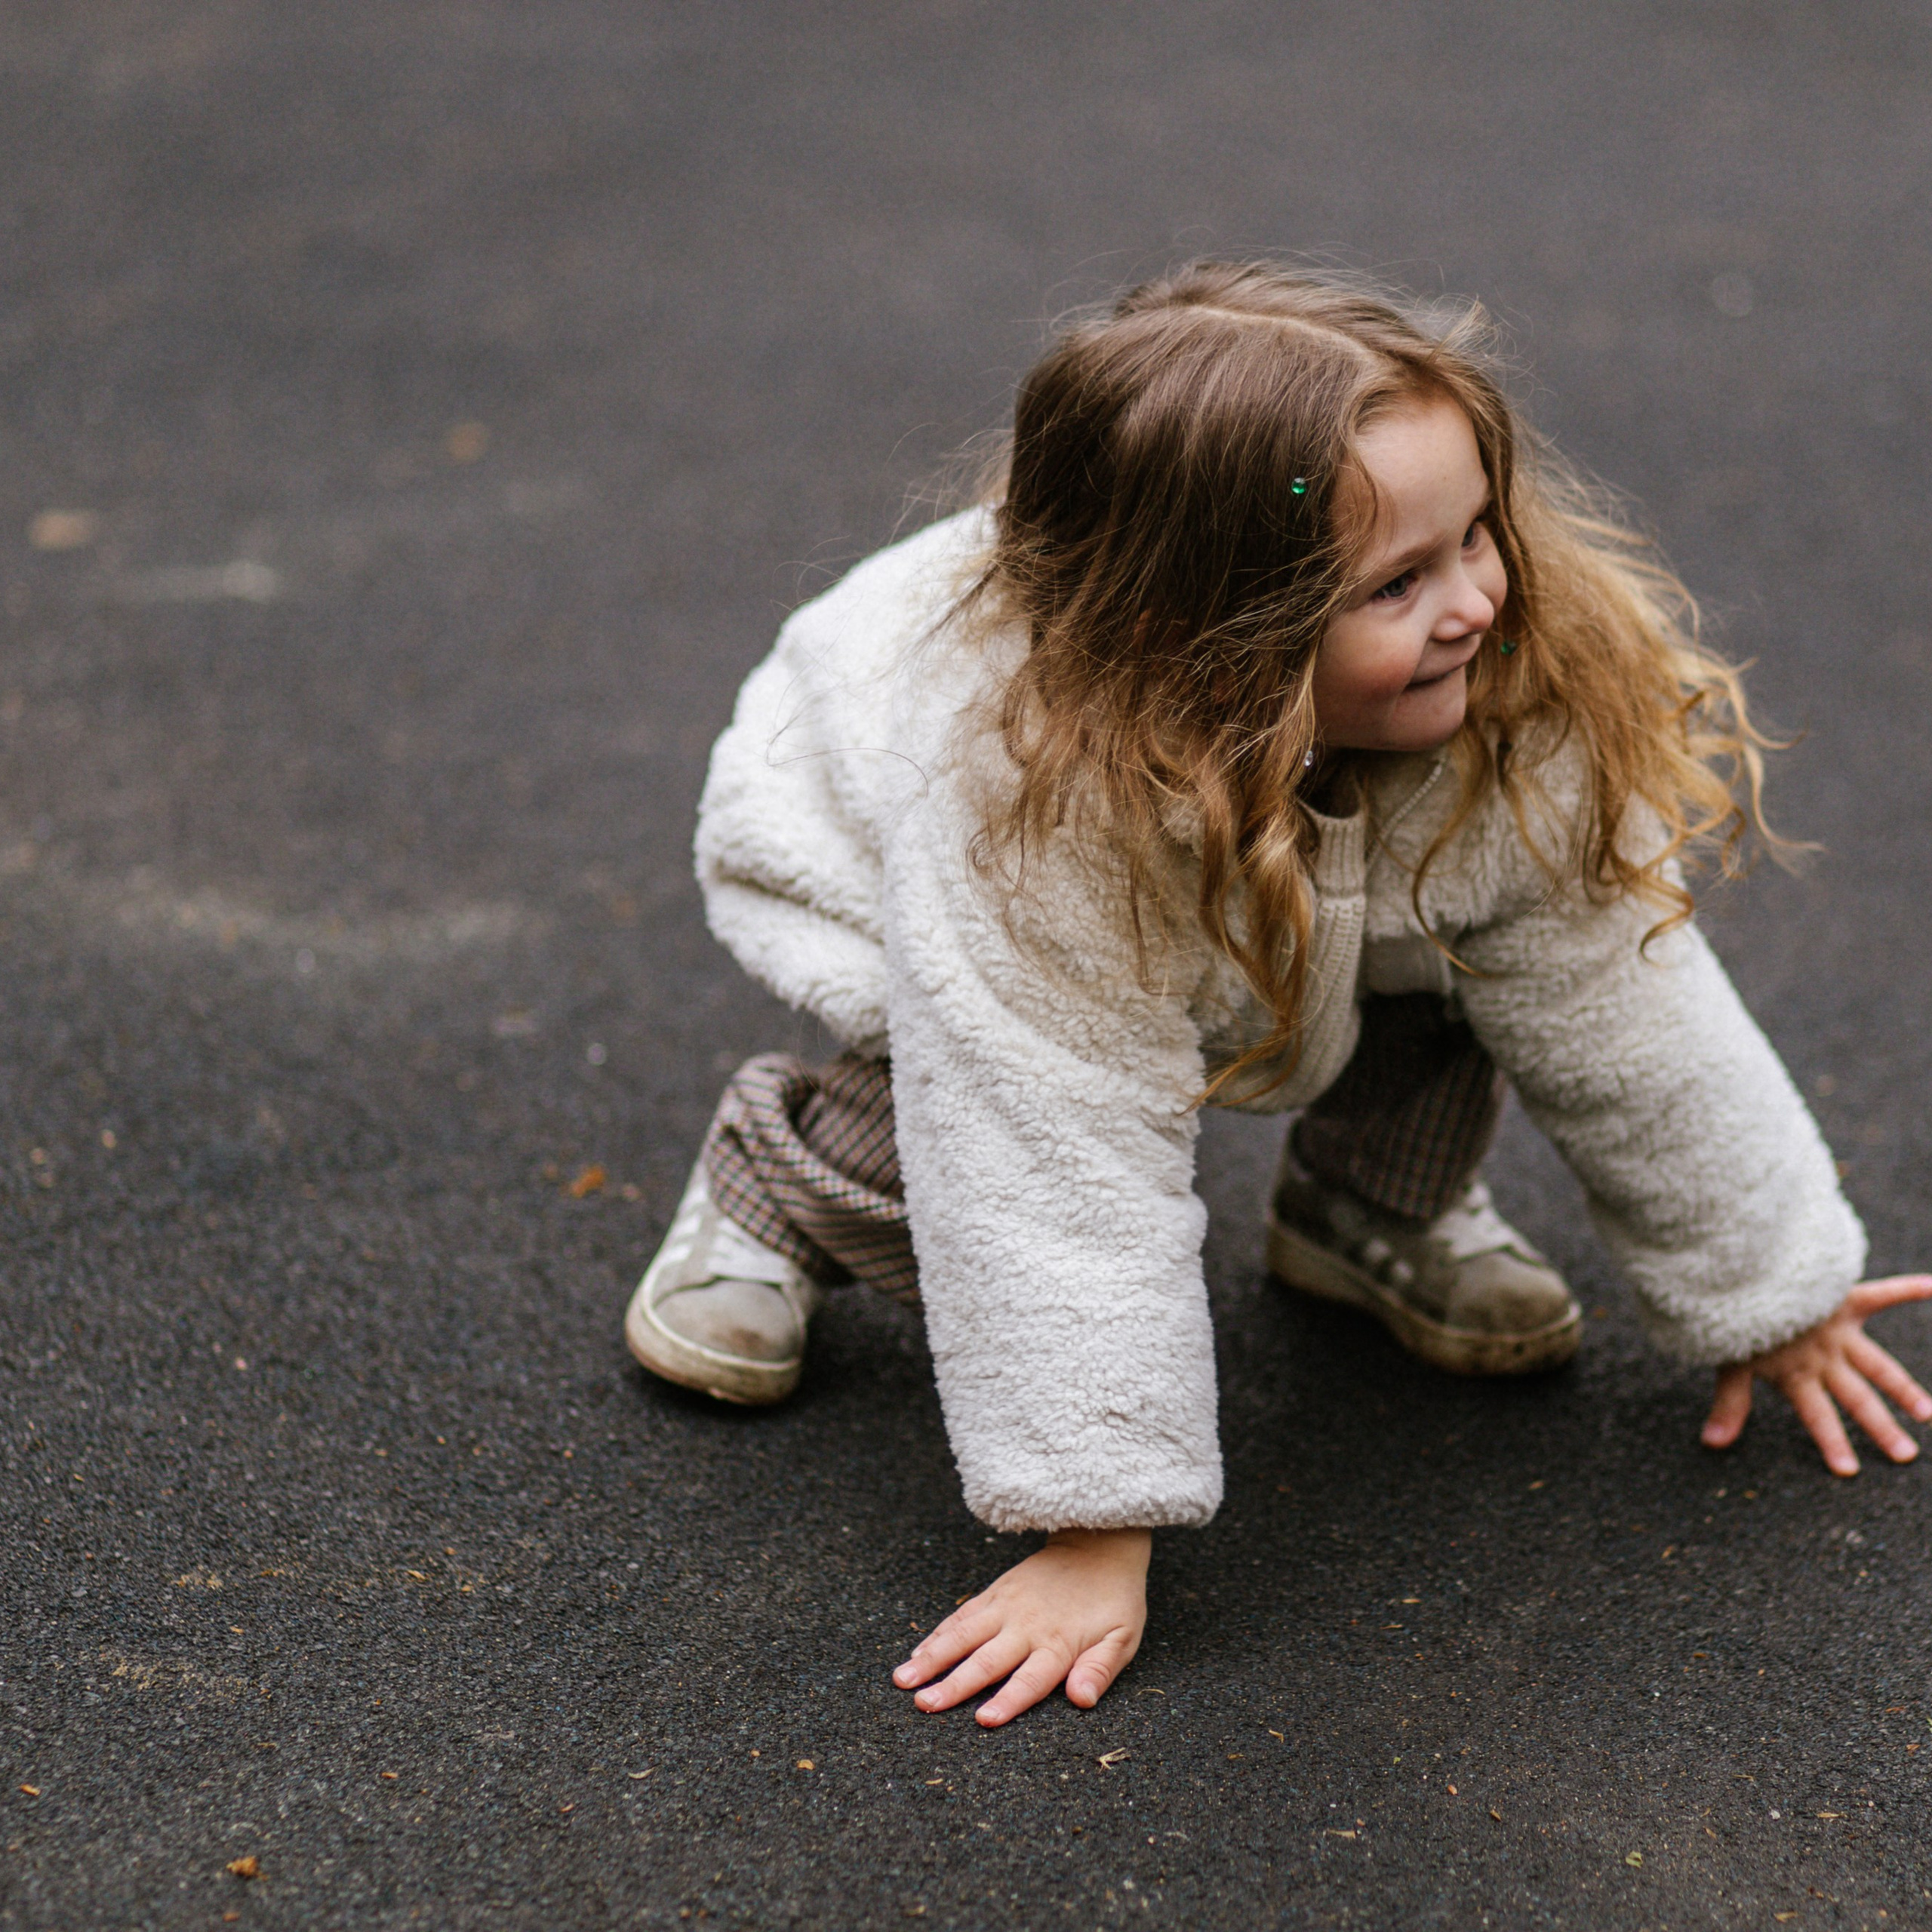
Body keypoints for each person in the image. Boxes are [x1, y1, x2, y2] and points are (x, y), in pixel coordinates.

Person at [625, 261, 1932, 1728]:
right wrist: (1091, 1520)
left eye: (1476, 532)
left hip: (1289, 823)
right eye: (1397, 583)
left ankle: (1365, 1205)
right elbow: (1044, 1142)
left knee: (1480, 952)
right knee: (958, 1105)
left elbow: (1623, 1001)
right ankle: (774, 1177)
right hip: (880, 881)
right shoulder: (1021, 796)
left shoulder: (1501, 687)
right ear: (1207, 638)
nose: (1475, 603)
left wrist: (1771, 1288)